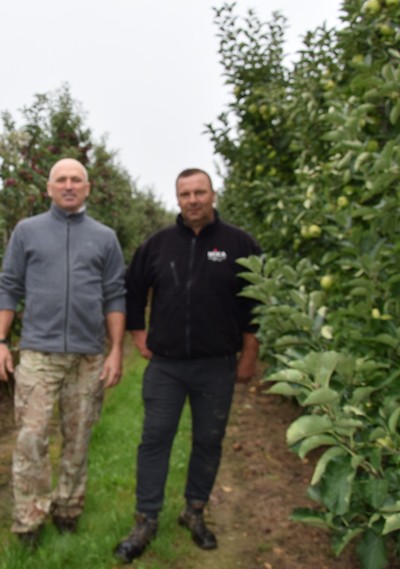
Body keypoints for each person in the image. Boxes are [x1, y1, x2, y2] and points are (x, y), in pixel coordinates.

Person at [113, 167, 262, 563]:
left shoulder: (239, 244)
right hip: (167, 366)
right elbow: (132, 288)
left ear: (213, 195)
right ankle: (145, 518)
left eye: (200, 192)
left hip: (216, 365)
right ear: (177, 199)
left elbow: (257, 302)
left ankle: (194, 510)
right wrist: (138, 333)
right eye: (185, 194)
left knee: (209, 440)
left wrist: (249, 354)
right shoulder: (159, 244)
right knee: (155, 438)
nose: (193, 200)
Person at [0, 157, 126, 550]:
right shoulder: (27, 231)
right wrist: (0, 342)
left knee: (78, 437)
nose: (69, 186)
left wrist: (115, 350)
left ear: (87, 188)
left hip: (87, 356)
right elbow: (9, 286)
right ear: (48, 189)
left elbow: (115, 294)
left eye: (76, 180)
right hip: (38, 353)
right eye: (61, 180)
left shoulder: (104, 237)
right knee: (31, 438)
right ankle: (30, 518)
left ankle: (68, 508)